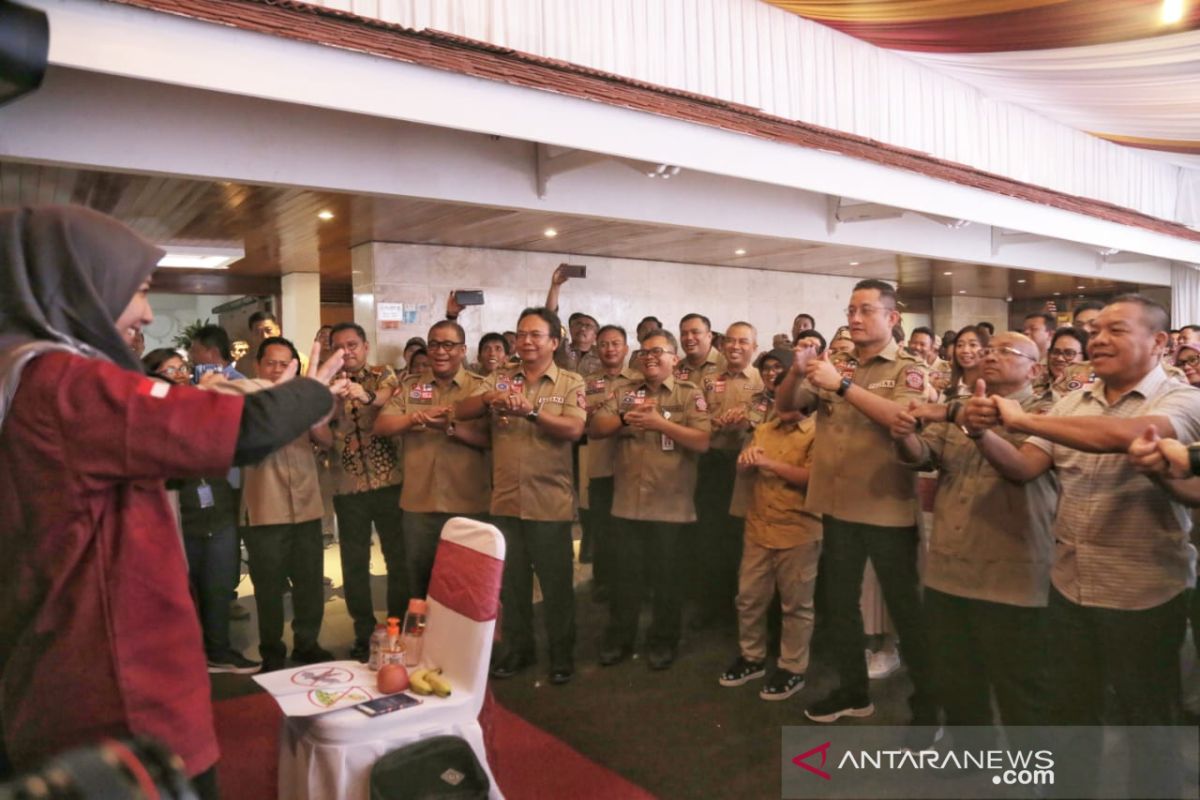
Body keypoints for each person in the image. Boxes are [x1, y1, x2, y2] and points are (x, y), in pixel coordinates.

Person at [0, 206, 343, 799]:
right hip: (118, 690)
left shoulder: (20, 373)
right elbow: (242, 425)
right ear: (82, 284)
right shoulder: (62, 382)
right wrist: (315, 388)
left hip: (62, 665)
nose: (148, 313)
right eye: (136, 291)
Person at [963, 295, 1200, 797]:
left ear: (1159, 342)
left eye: (1116, 329)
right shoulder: (1073, 402)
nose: (1098, 339)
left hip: (1144, 595)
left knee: (1149, 726)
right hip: (1069, 588)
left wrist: (1023, 419)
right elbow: (1025, 467)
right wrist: (981, 433)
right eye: (1095, 331)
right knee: (1069, 719)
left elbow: (1130, 434)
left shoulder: (1180, 399)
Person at [777, 279, 936, 737]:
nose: (854, 317)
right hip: (838, 505)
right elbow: (788, 409)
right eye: (851, 309)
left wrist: (842, 385)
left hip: (886, 508)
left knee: (908, 610)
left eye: (866, 310)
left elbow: (903, 422)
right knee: (839, 604)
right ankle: (854, 693)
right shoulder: (838, 364)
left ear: (892, 318)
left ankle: (928, 708)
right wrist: (797, 369)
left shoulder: (907, 369)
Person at [892, 332, 1055, 744]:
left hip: (1012, 568)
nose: (990, 356)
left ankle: (1030, 771)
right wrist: (903, 434)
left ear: (1034, 369)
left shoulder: (1047, 411)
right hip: (949, 563)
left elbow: (1022, 468)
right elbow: (925, 457)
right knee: (956, 675)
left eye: (1006, 351)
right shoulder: (961, 407)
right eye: (989, 350)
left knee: (1019, 683)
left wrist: (975, 427)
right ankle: (970, 750)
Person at [455, 307, 586, 685]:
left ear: (554, 342)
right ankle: (519, 649)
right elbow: (461, 411)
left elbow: (575, 429)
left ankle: (561, 655)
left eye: (536, 335)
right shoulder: (499, 378)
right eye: (521, 335)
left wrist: (531, 413)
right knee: (512, 586)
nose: (526, 342)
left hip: (549, 501)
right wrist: (487, 399)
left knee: (557, 586)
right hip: (506, 500)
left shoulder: (570, 382)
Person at [589, 329, 710, 670]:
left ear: (674, 358)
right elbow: (596, 428)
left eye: (659, 352)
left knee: (667, 582)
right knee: (624, 579)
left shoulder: (689, 394)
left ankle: (663, 642)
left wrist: (661, 423)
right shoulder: (625, 392)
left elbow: (702, 441)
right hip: (627, 503)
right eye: (645, 352)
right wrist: (626, 418)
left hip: (670, 505)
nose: (651, 357)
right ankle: (619, 639)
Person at [219, 337, 335, 673]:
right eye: (271, 363)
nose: (278, 369)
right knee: (268, 587)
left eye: (286, 364)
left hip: (306, 504)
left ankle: (307, 643)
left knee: (310, 582)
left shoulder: (302, 400)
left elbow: (327, 441)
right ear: (257, 366)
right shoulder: (248, 400)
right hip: (263, 508)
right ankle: (272, 650)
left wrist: (314, 419)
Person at [375, 320, 491, 599]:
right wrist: (414, 418)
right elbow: (381, 426)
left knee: (467, 587)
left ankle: (464, 644)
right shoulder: (411, 386)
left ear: (463, 350)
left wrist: (450, 428)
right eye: (434, 344)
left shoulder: (479, 388)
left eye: (448, 345)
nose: (440, 351)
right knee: (420, 586)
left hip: (468, 504)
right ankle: (424, 642)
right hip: (419, 505)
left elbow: (489, 440)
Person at [720, 395, 820, 700]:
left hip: (798, 530)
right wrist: (745, 464)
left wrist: (767, 463)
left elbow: (814, 478)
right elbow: (746, 471)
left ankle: (792, 668)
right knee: (749, 598)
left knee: (796, 605)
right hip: (758, 526)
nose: (779, 403)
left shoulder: (818, 432)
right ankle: (752, 658)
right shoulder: (764, 429)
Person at [327, 322, 406, 662]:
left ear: (364, 346)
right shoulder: (324, 383)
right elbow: (320, 424)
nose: (347, 351)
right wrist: (329, 398)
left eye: (353, 344)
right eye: (340, 346)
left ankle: (397, 625)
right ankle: (362, 629)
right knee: (354, 560)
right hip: (348, 484)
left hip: (390, 482)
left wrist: (366, 396)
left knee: (397, 556)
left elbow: (390, 397)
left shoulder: (383, 373)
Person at [691, 322, 764, 629]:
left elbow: (771, 418)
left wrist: (748, 420)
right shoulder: (707, 380)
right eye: (730, 341)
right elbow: (696, 416)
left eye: (743, 342)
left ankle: (743, 609)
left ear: (754, 348)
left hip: (748, 467)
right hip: (712, 464)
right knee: (709, 537)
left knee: (741, 539)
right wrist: (713, 422)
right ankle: (711, 606)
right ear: (722, 346)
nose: (735, 347)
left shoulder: (764, 380)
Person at [579, 324, 641, 599]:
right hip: (601, 463)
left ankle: (636, 582)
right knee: (602, 527)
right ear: (596, 348)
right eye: (603, 344)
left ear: (626, 349)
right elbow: (577, 424)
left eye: (616, 343)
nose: (610, 349)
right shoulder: (585, 383)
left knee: (632, 530)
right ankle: (603, 582)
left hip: (636, 466)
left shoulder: (641, 381)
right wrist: (590, 416)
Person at [675, 313, 725, 384]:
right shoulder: (676, 369)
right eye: (684, 334)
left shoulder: (727, 365)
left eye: (695, 332)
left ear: (709, 336)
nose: (689, 337)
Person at [945, 324, 988, 400]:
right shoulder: (948, 386)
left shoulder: (991, 387)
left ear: (985, 350)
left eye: (973, 345)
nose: (965, 350)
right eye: (960, 345)